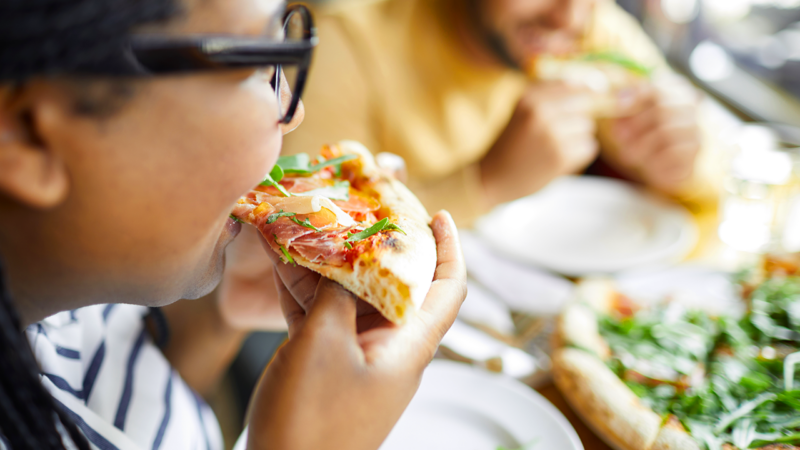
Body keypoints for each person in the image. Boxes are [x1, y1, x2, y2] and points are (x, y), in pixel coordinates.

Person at [0, 1, 467, 449]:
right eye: (257, 60)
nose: (293, 109)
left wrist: (222, 315)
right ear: (30, 132)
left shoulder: (64, 278)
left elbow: (121, 404)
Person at [283, 0, 719, 226]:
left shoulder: (589, 28)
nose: (568, 17)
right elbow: (292, 235)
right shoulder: (340, 45)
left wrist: (681, 161)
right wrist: (485, 183)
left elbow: (715, 163)